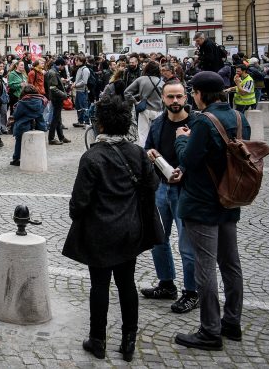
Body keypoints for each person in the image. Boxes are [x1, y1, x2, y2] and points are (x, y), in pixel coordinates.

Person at [62, 94, 159, 361]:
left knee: (99, 286)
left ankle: (98, 339)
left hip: (100, 231)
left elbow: (78, 203)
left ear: (100, 124)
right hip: (130, 229)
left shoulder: (93, 156)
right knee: (127, 284)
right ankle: (129, 341)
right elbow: (152, 186)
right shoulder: (137, 153)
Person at [171, 71, 248, 350]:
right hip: (229, 197)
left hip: (202, 202)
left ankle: (210, 330)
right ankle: (232, 322)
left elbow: (188, 160)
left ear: (200, 94)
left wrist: (182, 137)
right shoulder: (240, 118)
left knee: (206, 267)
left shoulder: (204, 121)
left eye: (193, 92)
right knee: (230, 263)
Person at [141, 79, 198, 314]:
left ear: (186, 98)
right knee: (158, 240)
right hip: (161, 187)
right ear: (163, 99)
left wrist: (183, 171)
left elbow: (202, 156)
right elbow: (147, 148)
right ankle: (166, 284)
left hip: (187, 190)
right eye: (170, 97)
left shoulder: (197, 123)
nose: (175, 101)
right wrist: (150, 154)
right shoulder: (158, 123)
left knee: (187, 245)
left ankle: (192, 292)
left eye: (179, 97)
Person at [124, 61, 164, 146]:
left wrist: (135, 102)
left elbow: (127, 92)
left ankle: (143, 154)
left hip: (144, 109)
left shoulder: (141, 79)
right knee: (157, 134)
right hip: (158, 111)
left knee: (143, 134)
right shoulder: (161, 82)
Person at [11, 84, 48, 167]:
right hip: (39, 125)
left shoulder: (23, 102)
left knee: (18, 140)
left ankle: (16, 158)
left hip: (24, 125)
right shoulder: (41, 100)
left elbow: (16, 115)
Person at [46, 57, 71, 145]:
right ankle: (51, 138)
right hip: (56, 98)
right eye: (63, 66)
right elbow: (53, 88)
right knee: (55, 119)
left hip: (56, 97)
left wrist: (61, 81)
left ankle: (61, 137)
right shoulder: (53, 73)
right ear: (60, 65)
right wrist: (64, 95)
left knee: (58, 118)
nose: (63, 68)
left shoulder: (54, 71)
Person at [72, 55, 92, 128]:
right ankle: (80, 121)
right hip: (78, 90)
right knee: (78, 106)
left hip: (82, 90)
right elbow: (79, 80)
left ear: (81, 61)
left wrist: (75, 85)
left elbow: (84, 81)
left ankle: (86, 121)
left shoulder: (85, 69)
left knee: (84, 106)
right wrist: (75, 83)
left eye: (77, 60)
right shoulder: (79, 68)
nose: (75, 61)